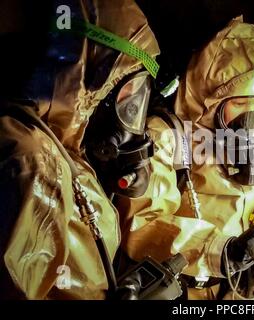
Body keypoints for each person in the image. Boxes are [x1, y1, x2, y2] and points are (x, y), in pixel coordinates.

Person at [117, 16, 254, 300]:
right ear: (208, 99)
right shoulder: (165, 137)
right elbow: (143, 225)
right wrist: (223, 249)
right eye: (240, 103)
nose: (251, 118)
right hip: (180, 290)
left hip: (238, 286)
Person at [0, 0, 160, 299]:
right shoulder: (33, 159)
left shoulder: (60, 148)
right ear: (92, 74)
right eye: (129, 89)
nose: (131, 107)